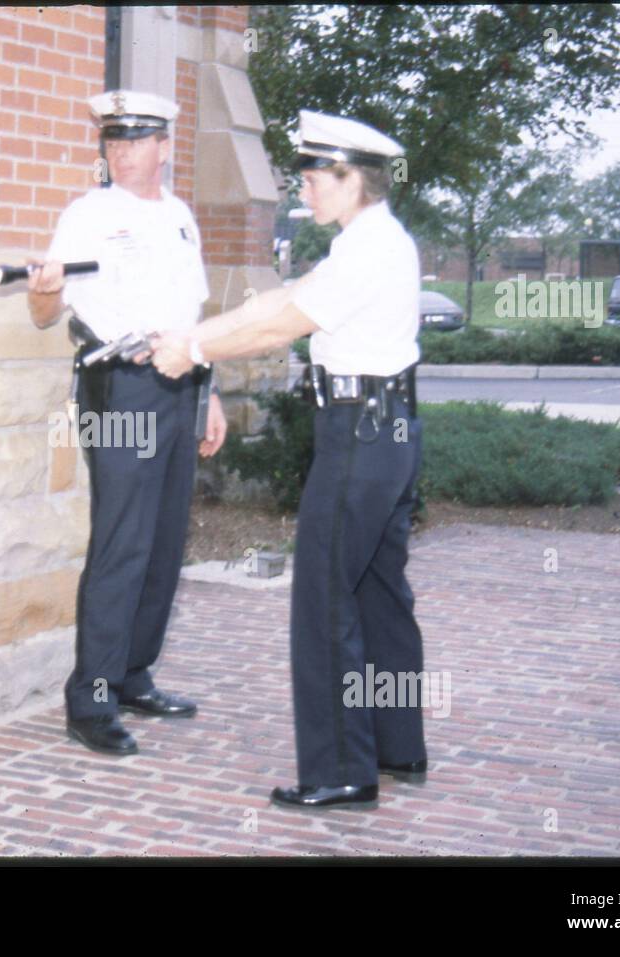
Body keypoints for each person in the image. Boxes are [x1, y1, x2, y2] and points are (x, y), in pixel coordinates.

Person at [150, 110, 428, 809]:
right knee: (378, 592)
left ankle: (339, 771)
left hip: (359, 432)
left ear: (353, 179)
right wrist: (199, 331)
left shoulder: (369, 249)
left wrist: (195, 346)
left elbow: (281, 322)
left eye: (316, 174)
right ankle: (397, 747)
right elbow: (284, 298)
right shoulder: (371, 242)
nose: (305, 184)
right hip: (386, 426)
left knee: (326, 594)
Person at [24, 89, 228, 756]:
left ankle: (135, 672)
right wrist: (44, 285)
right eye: (112, 139)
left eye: (134, 139)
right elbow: (45, 314)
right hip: (120, 389)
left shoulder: (179, 215)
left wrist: (212, 394)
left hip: (180, 384)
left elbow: (191, 309)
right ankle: (91, 697)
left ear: (164, 147)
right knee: (122, 539)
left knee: (166, 538)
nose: (119, 150)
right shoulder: (87, 213)